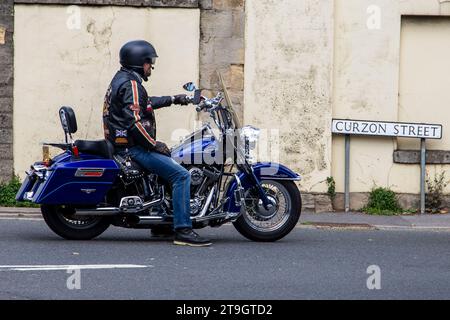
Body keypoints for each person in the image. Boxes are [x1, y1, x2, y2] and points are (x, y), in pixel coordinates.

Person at [102, 40, 211, 247]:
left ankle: (161, 222)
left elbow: (145, 103)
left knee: (168, 166)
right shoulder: (131, 84)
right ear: (138, 62)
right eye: (148, 62)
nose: (151, 67)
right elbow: (133, 121)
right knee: (181, 175)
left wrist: (176, 99)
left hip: (123, 144)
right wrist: (153, 144)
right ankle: (183, 230)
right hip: (132, 148)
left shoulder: (123, 79)